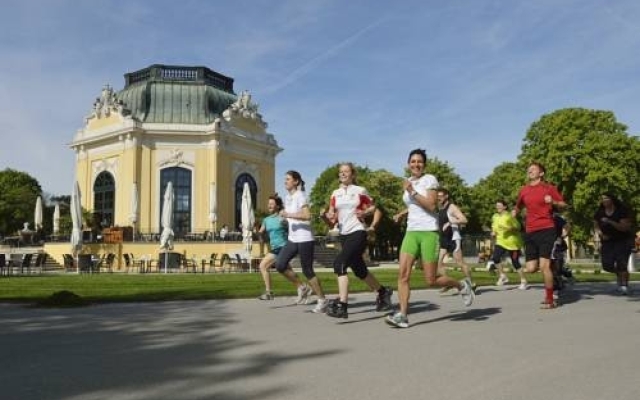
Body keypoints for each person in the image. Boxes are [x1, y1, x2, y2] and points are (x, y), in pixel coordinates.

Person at [386, 149, 474, 329]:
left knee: (431, 279)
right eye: (413, 161)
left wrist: (412, 192)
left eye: (419, 161)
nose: (416, 164)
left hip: (429, 233)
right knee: (403, 275)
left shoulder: (430, 180)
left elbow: (432, 205)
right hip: (411, 232)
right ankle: (402, 315)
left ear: (424, 165)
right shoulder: (408, 181)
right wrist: (402, 213)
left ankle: (461, 285)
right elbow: (413, 206)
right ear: (408, 164)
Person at [320, 163, 393, 319]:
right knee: (359, 270)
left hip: (358, 232)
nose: (343, 174)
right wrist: (326, 216)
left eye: (346, 171)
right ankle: (382, 292)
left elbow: (374, 207)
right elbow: (332, 219)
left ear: (352, 175)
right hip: (344, 235)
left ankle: (342, 305)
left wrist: (365, 212)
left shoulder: (359, 191)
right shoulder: (335, 194)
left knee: (339, 264)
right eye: (341, 172)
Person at [513, 162, 566, 309]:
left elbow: (563, 204)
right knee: (530, 268)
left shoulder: (549, 188)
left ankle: (550, 299)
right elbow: (518, 205)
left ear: (541, 173)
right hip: (530, 231)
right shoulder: (523, 190)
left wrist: (553, 201)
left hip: (546, 229)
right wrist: (515, 211)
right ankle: (555, 269)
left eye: (534, 169)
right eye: (529, 169)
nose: (530, 170)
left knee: (544, 267)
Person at [274, 170, 329, 313]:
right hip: (293, 239)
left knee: (308, 270)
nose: (285, 181)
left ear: (296, 181)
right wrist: (284, 219)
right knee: (280, 264)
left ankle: (322, 300)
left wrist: (288, 214)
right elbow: (291, 217)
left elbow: (307, 215)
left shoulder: (300, 195)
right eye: (285, 179)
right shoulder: (287, 197)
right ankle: (302, 287)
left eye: (288, 179)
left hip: (305, 239)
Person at [593, 193, 635, 295]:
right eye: (602, 198)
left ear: (612, 199)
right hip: (607, 241)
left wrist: (610, 221)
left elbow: (624, 228)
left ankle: (624, 286)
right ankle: (619, 274)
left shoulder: (621, 211)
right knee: (606, 265)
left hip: (623, 240)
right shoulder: (600, 212)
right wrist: (601, 234)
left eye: (606, 198)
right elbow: (596, 226)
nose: (604, 200)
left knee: (622, 263)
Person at [436, 188, 474, 294]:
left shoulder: (451, 207)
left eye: (441, 196)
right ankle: (448, 283)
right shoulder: (440, 208)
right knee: (438, 263)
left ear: (446, 196)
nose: (439, 198)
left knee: (460, 262)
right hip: (444, 239)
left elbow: (464, 220)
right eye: (437, 196)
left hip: (454, 238)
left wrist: (450, 222)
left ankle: (471, 283)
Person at [257, 194, 289, 300]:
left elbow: (290, 228)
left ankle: (269, 292)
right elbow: (260, 232)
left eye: (272, 204)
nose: (269, 206)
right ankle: (303, 287)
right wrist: (254, 230)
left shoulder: (282, 217)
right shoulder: (266, 220)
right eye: (268, 204)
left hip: (283, 246)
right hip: (274, 247)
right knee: (288, 271)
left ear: (278, 206)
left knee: (263, 266)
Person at [490, 199, 528, 290]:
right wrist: (493, 233)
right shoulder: (495, 216)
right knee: (495, 258)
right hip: (501, 242)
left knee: (515, 262)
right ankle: (503, 276)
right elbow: (494, 228)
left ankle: (523, 281)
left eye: (499, 205)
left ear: (505, 207)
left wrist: (510, 228)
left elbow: (518, 227)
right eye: (497, 206)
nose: (498, 207)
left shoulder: (510, 216)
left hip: (513, 243)